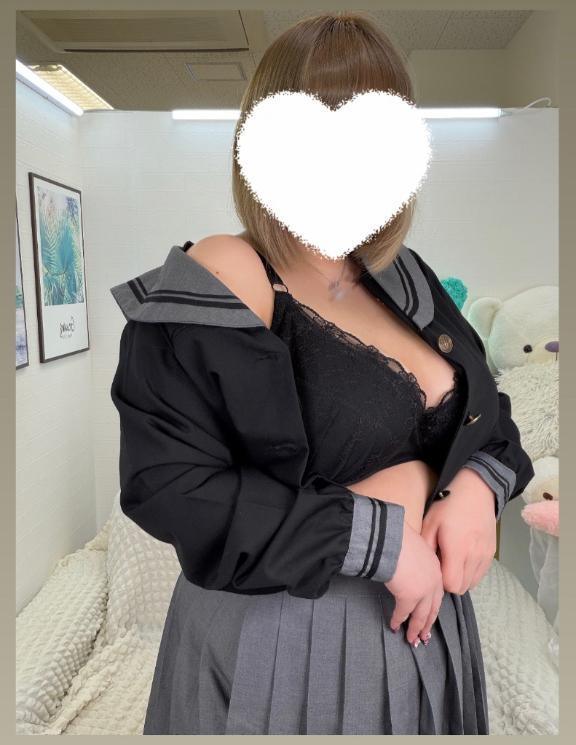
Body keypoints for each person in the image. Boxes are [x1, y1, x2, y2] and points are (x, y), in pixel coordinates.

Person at [109, 11, 534, 735]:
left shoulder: (404, 278)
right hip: (288, 640)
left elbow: (488, 417)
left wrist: (476, 489)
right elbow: (169, 484)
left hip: (427, 635)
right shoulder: (229, 271)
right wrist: (376, 538)